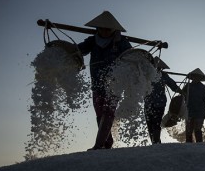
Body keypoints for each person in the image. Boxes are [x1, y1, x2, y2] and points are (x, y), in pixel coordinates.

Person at [78, 11, 132, 150]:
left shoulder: (122, 42)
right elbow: (78, 51)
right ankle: (107, 143)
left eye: (108, 29)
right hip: (96, 83)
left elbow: (131, 57)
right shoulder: (92, 41)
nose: (105, 31)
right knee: (99, 114)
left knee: (108, 112)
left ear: (114, 29)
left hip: (115, 83)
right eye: (102, 28)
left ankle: (99, 144)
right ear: (97, 28)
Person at [144, 57, 182, 144]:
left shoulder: (163, 75)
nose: (158, 68)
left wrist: (181, 91)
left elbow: (172, 85)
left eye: (159, 67)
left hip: (159, 103)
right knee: (149, 123)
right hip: (148, 103)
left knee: (156, 122)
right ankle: (155, 142)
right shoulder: (146, 74)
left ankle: (156, 142)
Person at [182, 68, 205, 143]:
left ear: (200, 78)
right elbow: (182, 95)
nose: (196, 78)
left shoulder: (203, 88)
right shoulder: (188, 86)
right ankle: (188, 145)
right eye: (195, 76)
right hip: (189, 111)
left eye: (198, 77)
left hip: (200, 112)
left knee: (198, 129)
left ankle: (199, 146)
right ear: (192, 77)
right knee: (189, 129)